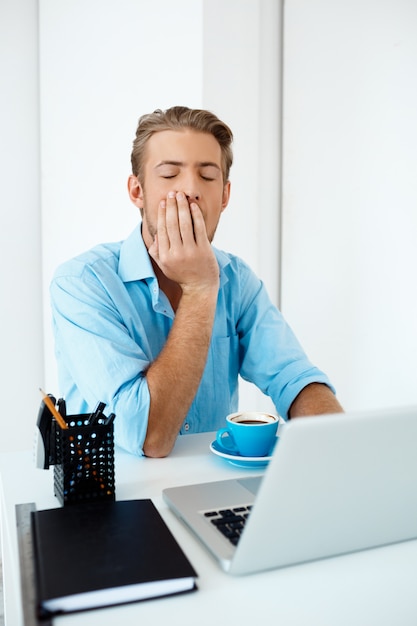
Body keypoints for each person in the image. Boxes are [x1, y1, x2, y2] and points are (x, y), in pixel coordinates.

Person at [50, 106, 343, 458]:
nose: (190, 189)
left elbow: (293, 379)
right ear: (137, 192)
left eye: (207, 176)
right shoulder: (82, 284)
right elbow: (150, 437)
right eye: (170, 174)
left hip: (210, 489)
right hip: (117, 500)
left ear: (224, 196)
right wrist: (200, 289)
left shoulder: (238, 280)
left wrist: (340, 449)